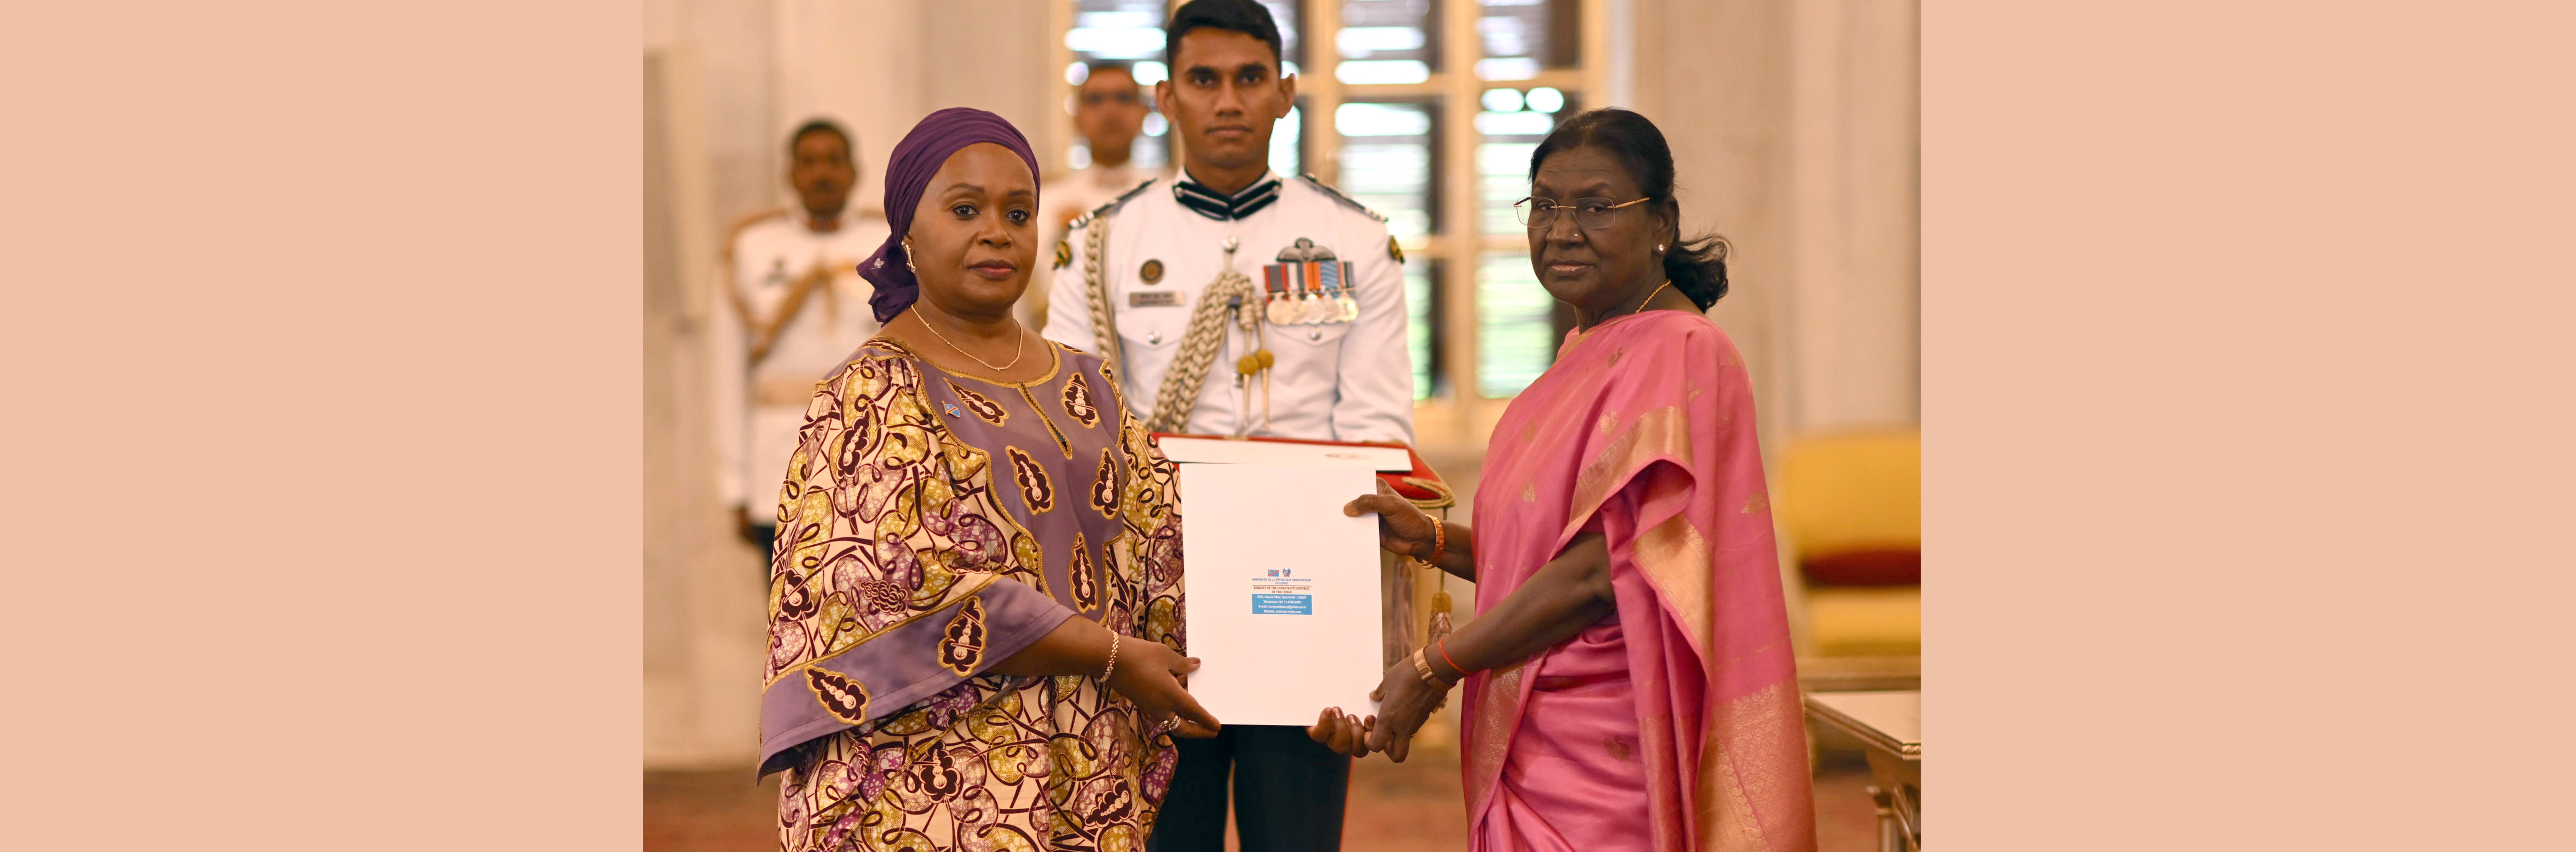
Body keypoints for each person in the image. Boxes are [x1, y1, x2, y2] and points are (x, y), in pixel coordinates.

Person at [1329, 109, 1819, 852]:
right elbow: (1552, 552)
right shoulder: (1589, 345)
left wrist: (1435, 667)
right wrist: (1433, 540)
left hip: (1610, 756)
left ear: (1661, 221)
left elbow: (1600, 576)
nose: (1561, 230)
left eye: (1594, 207)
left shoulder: (1678, 350)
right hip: (1535, 728)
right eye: (1546, 206)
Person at [758, 108, 1222, 852]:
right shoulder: (871, 392)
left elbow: (1163, 553)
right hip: (927, 787)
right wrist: (1105, 653)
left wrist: (1301, 652)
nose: (997, 231)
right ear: (906, 228)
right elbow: (888, 582)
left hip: (1085, 764)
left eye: (1018, 212)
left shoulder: (1088, 381)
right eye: (965, 209)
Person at [1040, 2, 1413, 850]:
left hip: (1304, 593)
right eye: (1204, 81)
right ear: (1167, 99)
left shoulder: (1354, 242)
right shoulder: (1101, 245)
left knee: (1296, 835)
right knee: (1169, 837)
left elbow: (1376, 431)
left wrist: (1354, 624)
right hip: (1160, 607)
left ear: (1285, 94)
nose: (1229, 102)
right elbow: (1075, 435)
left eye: (1250, 80)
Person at [712, 118, 891, 565]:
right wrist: (735, 482)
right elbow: (727, 368)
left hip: (872, 452)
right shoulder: (752, 246)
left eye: (834, 161)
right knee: (787, 618)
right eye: (808, 163)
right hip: (778, 457)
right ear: (789, 174)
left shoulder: (889, 244)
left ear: (856, 171)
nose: (822, 174)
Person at [1024, 61, 1170, 332]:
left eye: (1123, 98)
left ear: (1143, 113)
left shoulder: (1170, 197)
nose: (1110, 110)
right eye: (1096, 100)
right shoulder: (1042, 202)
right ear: (1076, 118)